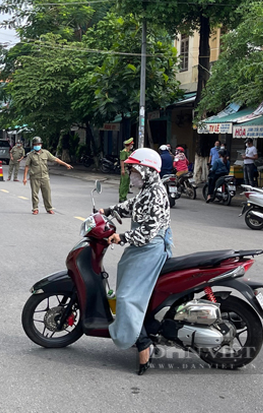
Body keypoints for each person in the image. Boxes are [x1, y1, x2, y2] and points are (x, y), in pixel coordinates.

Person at [99, 148, 173, 375]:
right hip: (142, 248)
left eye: (134, 169)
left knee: (125, 296)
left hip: (149, 248)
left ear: (147, 170)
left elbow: (147, 233)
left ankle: (143, 344)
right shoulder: (147, 190)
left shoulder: (157, 194)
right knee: (124, 286)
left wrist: (120, 237)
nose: (131, 173)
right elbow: (132, 206)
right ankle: (138, 331)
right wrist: (108, 210)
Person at [23, 136, 73, 214]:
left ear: (41, 145)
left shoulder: (46, 153)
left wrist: (66, 164)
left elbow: (55, 159)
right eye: (36, 144)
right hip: (34, 177)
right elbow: (27, 166)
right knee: (34, 194)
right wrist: (25, 178)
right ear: (33, 145)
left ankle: (49, 208)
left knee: (47, 193)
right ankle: (35, 209)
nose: (37, 145)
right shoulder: (31, 155)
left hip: (45, 177)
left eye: (38, 144)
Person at [119, 138, 134, 202]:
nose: (131, 146)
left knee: (127, 184)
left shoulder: (130, 152)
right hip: (125, 169)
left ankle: (124, 196)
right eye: (131, 145)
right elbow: (122, 161)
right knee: (123, 184)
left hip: (129, 169)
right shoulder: (123, 152)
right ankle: (121, 197)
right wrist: (122, 169)